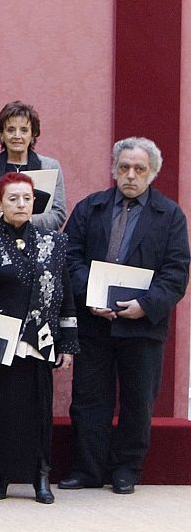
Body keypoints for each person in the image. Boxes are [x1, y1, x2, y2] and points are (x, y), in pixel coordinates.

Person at [61, 137, 190, 495]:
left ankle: (126, 470)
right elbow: (69, 257)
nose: (131, 175)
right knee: (89, 399)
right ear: (114, 170)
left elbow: (176, 272)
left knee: (137, 401)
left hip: (143, 327)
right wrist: (92, 296)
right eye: (124, 168)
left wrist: (144, 307)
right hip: (94, 322)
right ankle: (87, 470)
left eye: (139, 169)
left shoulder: (170, 216)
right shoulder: (91, 208)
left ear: (153, 173)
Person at [0, 172, 77, 503]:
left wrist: (67, 344)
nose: (21, 204)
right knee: (0, 413)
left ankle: (41, 476)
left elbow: (65, 295)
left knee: (38, 412)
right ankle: (1, 476)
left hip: (39, 341)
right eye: (13, 199)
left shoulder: (54, 242)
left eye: (26, 198)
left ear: (35, 203)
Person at [0, 101, 66, 231]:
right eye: (11, 130)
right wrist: (0, 218)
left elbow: (59, 214)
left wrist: (26, 220)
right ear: (1, 134)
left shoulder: (50, 166)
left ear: (33, 134)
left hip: (37, 244)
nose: (17, 136)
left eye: (24, 130)